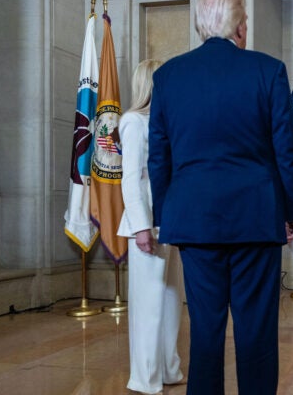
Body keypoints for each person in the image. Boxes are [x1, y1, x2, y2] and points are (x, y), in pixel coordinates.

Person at [148, 0, 293, 395]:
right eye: (245, 22)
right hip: (257, 218)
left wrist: (164, 216)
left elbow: (158, 157)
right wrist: (292, 212)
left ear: (202, 27)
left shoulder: (168, 77)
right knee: (256, 330)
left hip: (194, 222)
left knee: (205, 331)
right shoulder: (268, 70)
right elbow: (286, 152)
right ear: (239, 28)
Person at [117, 59, 186, 395]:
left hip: (169, 219)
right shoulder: (132, 121)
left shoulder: (165, 122)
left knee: (171, 300)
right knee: (147, 305)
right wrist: (141, 226)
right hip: (145, 222)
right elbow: (130, 179)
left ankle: (169, 369)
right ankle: (145, 378)